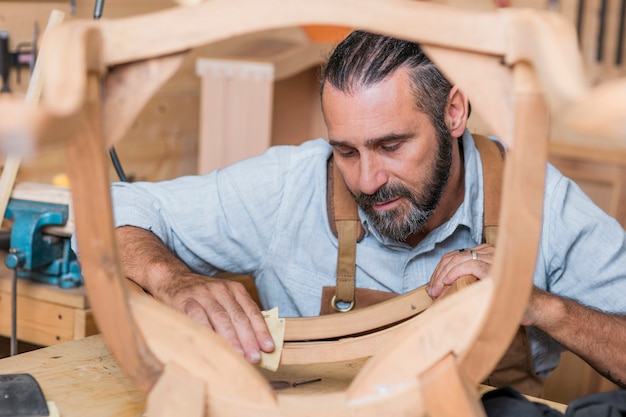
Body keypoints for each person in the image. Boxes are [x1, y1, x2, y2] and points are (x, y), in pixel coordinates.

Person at [111, 31, 626, 394]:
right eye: (347, 150)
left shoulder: (539, 202)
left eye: (391, 145)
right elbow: (120, 206)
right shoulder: (293, 183)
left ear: (454, 112)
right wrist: (171, 278)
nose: (366, 180)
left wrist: (541, 305)